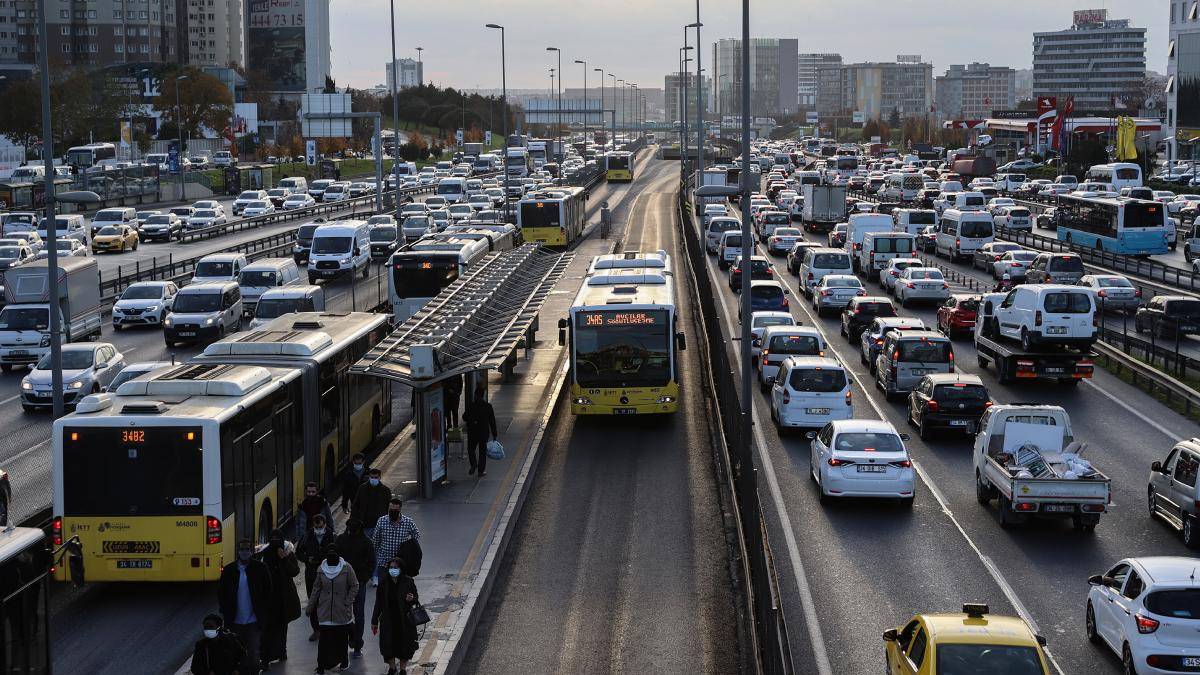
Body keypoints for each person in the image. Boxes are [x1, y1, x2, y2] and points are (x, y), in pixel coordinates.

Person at [218, 539, 271, 675]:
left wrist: (264, 613)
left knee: (253, 656)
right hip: (235, 622)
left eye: (247, 550)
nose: (245, 552)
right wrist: (225, 612)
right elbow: (221, 594)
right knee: (235, 656)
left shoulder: (260, 568)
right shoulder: (229, 571)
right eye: (242, 550)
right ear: (238, 552)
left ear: (251, 551)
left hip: (253, 621)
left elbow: (268, 591)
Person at [306, 545, 359, 674]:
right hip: (325, 612)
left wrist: (347, 602)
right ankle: (321, 666)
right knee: (324, 641)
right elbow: (316, 589)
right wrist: (310, 606)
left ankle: (344, 661)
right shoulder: (321, 569)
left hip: (341, 612)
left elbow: (354, 585)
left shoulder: (347, 568)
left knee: (341, 639)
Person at [257, 530, 301, 670]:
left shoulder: (287, 552)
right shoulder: (264, 554)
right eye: (273, 539)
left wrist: (284, 559)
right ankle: (266, 657)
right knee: (268, 630)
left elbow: (294, 571)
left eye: (278, 538)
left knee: (282, 626)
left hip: (284, 597)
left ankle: (281, 651)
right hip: (269, 599)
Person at [370, 558, 420, 675]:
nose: (393, 570)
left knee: (405, 646)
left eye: (395, 568)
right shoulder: (383, 583)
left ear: (401, 569)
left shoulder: (408, 582)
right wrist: (374, 620)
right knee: (388, 646)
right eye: (391, 568)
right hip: (388, 621)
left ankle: (403, 669)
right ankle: (392, 668)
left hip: (404, 621)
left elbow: (415, 598)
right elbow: (378, 603)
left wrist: (411, 599)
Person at [335, 518, 376, 659]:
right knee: (359, 615)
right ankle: (357, 644)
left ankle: (350, 641)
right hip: (359, 583)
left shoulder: (340, 540)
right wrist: (365, 577)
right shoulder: (366, 542)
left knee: (343, 615)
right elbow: (372, 562)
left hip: (345, 583)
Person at [297, 513, 338, 641]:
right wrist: (307, 559)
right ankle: (316, 629)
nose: (318, 530)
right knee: (313, 601)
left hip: (328, 573)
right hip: (312, 574)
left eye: (320, 527)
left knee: (328, 601)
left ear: (325, 525)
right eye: (316, 527)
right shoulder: (307, 535)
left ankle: (328, 629)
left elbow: (338, 553)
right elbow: (299, 552)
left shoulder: (332, 536)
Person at [372, 496, 421, 583]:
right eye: (390, 510)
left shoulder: (408, 522)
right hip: (384, 562)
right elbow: (376, 540)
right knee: (383, 590)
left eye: (395, 510)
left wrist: (408, 548)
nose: (392, 512)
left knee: (400, 589)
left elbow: (416, 535)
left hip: (401, 564)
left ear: (400, 510)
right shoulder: (382, 521)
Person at [462, 385, 498, 477]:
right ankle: (481, 471)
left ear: (475, 395)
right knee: (482, 452)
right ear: (483, 395)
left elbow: (464, 417)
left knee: (471, 449)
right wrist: (494, 434)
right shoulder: (488, 406)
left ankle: (473, 463)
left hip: (473, 432)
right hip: (483, 433)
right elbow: (492, 421)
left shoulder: (471, 406)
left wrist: (471, 420)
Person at [352, 468, 391, 543]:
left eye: (376, 477)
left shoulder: (385, 491)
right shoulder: (362, 488)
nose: (373, 479)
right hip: (365, 524)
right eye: (372, 477)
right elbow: (356, 505)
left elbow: (388, 507)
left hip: (380, 525)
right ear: (369, 477)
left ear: (380, 477)